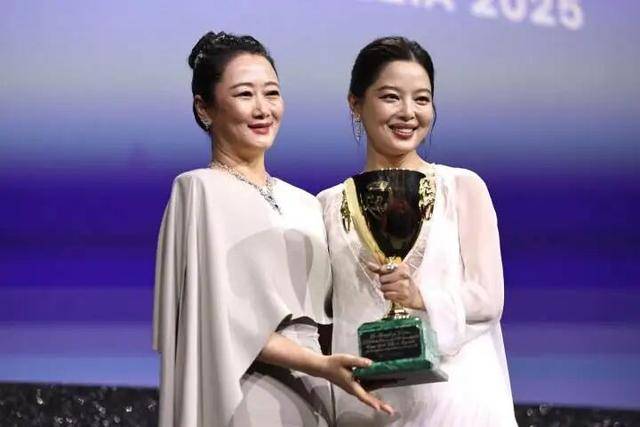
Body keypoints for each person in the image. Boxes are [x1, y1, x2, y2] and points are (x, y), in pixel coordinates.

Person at [153, 31, 393, 427]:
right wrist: (318, 364)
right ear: (204, 108)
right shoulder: (198, 190)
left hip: (321, 390)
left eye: (272, 93)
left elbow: (331, 315)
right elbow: (216, 316)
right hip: (247, 389)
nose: (263, 108)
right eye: (245, 94)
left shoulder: (306, 202)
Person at [317, 36, 517, 426]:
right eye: (391, 97)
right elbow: (326, 319)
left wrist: (420, 296)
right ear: (355, 103)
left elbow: (488, 299)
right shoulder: (328, 204)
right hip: (366, 406)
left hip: (454, 403)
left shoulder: (461, 187)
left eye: (422, 99)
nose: (409, 113)